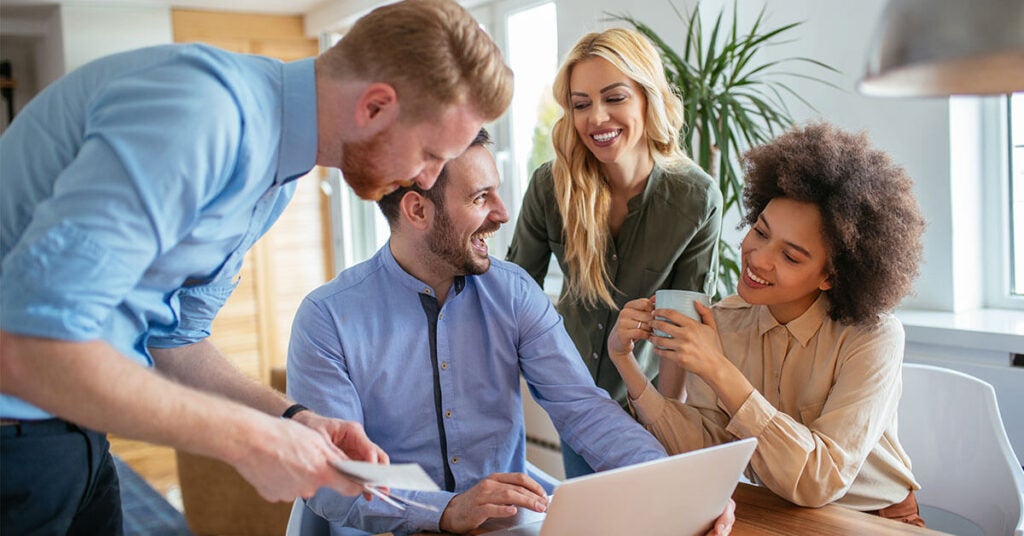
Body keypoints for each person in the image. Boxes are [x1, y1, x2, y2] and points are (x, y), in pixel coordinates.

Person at [0, 0, 513, 532]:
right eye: (431, 153)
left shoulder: (277, 175)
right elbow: (32, 345)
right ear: (375, 107)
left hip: (75, 437)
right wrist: (248, 440)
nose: (426, 178)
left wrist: (292, 420)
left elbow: (174, 338)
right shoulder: (202, 113)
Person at [287, 129, 734, 536]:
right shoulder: (327, 319)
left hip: (505, 527)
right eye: (481, 198)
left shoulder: (514, 292)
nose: (502, 214)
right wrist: (445, 510)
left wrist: (678, 488)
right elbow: (332, 476)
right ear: (417, 210)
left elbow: (582, 408)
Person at [608, 123, 927, 526]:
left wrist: (719, 369)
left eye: (791, 257)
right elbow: (705, 446)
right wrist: (626, 364)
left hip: (872, 518)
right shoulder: (725, 320)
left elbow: (818, 481)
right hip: (773, 510)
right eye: (760, 231)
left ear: (831, 276)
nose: (758, 259)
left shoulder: (873, 337)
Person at [506, 27, 722, 477]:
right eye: (581, 104)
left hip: (646, 402)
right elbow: (514, 293)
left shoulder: (696, 198)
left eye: (614, 98)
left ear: (648, 97)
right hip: (575, 400)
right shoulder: (551, 187)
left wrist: (665, 419)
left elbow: (681, 326)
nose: (596, 118)